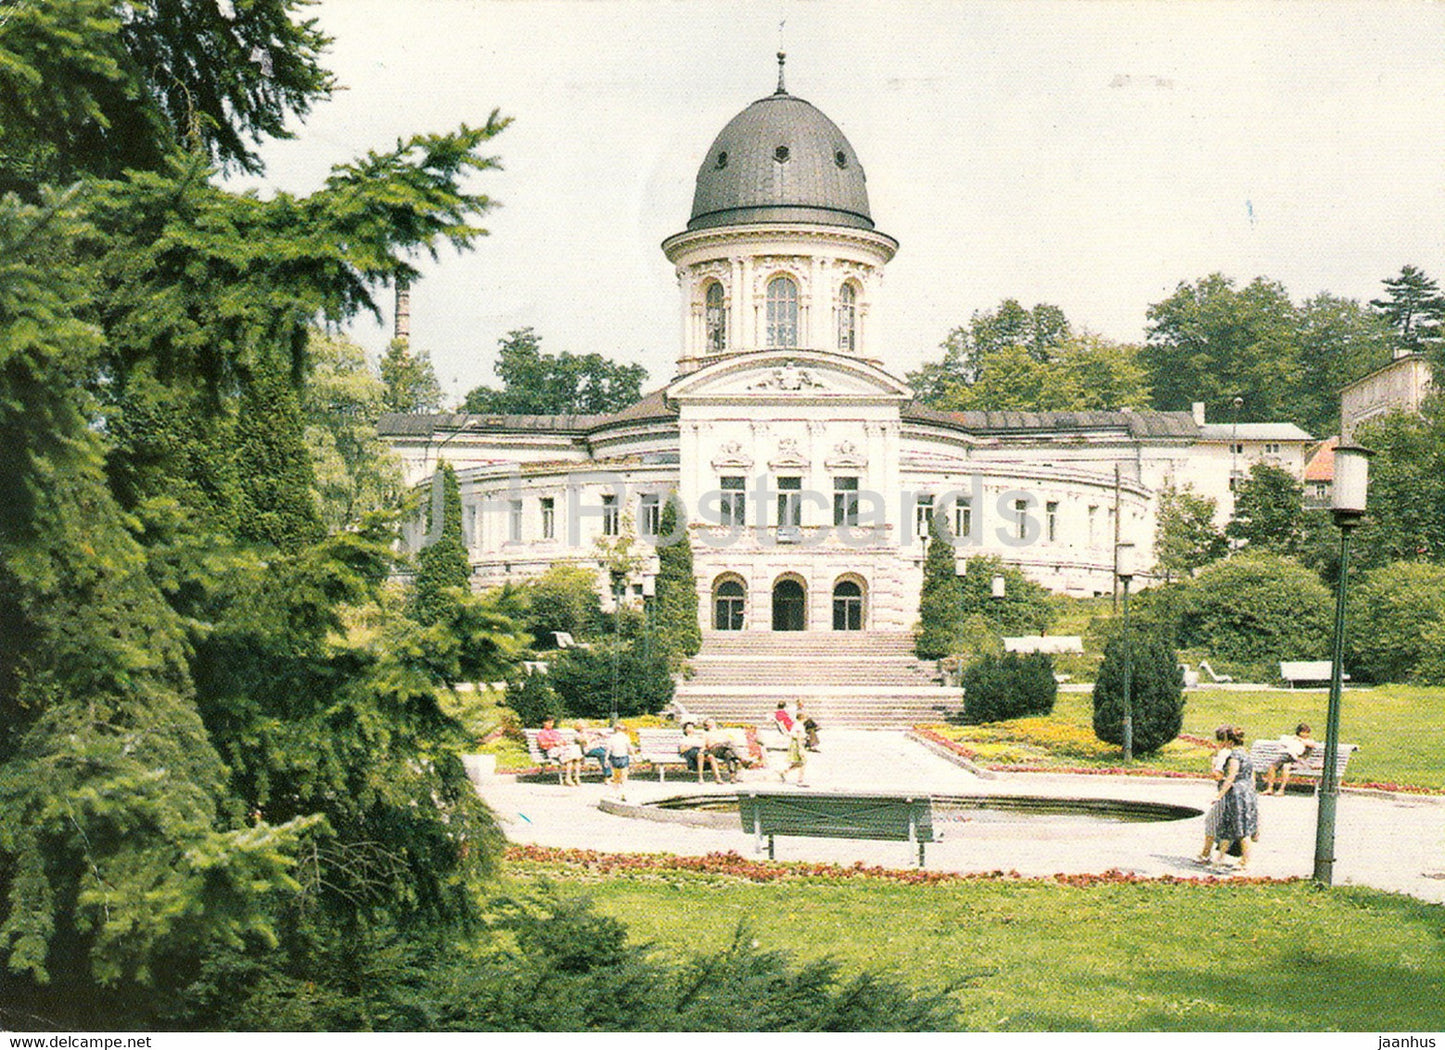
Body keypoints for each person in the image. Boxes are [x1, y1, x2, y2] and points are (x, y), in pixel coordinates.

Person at [1212, 725, 1260, 870]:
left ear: (1230, 741)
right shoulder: (1246, 754)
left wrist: (1219, 795)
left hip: (1237, 793)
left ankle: (1245, 861)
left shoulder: (1234, 756)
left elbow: (1231, 776)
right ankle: (1219, 858)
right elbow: (1252, 777)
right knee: (1228, 825)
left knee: (1241, 828)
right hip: (1247, 791)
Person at [1195, 726, 1232, 863]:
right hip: (1238, 792)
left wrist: (1213, 766)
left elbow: (1217, 775)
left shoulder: (1224, 753)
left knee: (1212, 821)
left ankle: (1206, 854)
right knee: (1227, 823)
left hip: (1225, 792)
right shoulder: (1238, 752)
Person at [1263, 722, 1319, 795]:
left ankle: (1281, 789)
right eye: (1303, 732)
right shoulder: (1293, 739)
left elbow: (1312, 745)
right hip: (1288, 758)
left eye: (1307, 732)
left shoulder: (1309, 741)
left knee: (1286, 766)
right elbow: (1284, 740)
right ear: (1299, 732)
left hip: (1299, 762)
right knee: (1272, 766)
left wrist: (1299, 740)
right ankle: (1270, 788)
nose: (1305, 734)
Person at [702, 718, 743, 783]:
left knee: (729, 754)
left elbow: (728, 739)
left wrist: (723, 742)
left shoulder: (720, 732)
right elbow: (707, 745)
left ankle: (732, 778)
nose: (712, 722)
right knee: (729, 744)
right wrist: (718, 742)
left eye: (712, 721)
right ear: (706, 725)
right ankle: (742, 758)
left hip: (724, 749)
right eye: (709, 722)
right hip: (714, 749)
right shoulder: (706, 733)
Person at [778, 718, 808, 787]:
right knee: (803, 761)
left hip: (795, 744)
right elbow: (798, 737)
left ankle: (784, 772)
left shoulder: (797, 724)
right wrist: (801, 748)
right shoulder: (799, 725)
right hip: (797, 744)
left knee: (799, 762)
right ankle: (800, 780)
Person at [607, 723, 634, 800]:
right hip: (623, 757)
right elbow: (630, 748)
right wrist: (634, 756)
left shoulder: (612, 738)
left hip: (615, 757)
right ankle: (623, 792)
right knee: (624, 776)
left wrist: (606, 759)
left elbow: (609, 749)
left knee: (616, 777)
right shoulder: (626, 737)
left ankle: (616, 792)